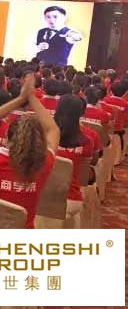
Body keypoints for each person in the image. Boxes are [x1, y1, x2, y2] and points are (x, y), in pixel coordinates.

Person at [0, 74, 58, 228]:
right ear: (39, 142)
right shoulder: (42, 165)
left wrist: (21, 98)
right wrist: (31, 97)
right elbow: (53, 129)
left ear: (6, 136)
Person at [54, 95, 95, 227]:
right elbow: (88, 172)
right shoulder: (87, 141)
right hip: (72, 199)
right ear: (81, 113)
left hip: (42, 198)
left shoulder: (43, 136)